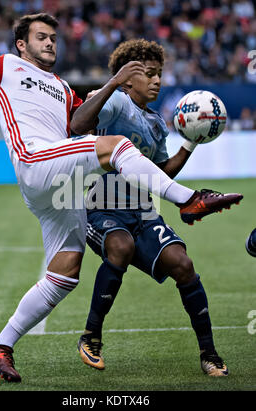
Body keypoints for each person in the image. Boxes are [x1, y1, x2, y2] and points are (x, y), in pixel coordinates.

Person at [0, 13, 242, 383]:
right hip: (33, 160)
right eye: (41, 37)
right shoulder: (4, 66)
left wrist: (105, 97)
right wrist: (115, 84)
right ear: (21, 44)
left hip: (59, 184)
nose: (50, 43)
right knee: (116, 147)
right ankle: (190, 200)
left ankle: (0, 347)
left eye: (53, 38)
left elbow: (78, 126)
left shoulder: (61, 87)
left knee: (64, 275)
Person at [71, 39, 236, 377]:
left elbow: (160, 174)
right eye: (149, 74)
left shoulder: (157, 123)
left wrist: (190, 143)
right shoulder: (116, 101)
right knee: (121, 246)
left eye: (159, 74)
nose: (157, 80)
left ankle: (209, 353)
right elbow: (77, 124)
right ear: (128, 78)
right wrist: (112, 82)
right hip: (101, 211)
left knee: (183, 264)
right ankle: (91, 335)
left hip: (143, 214)